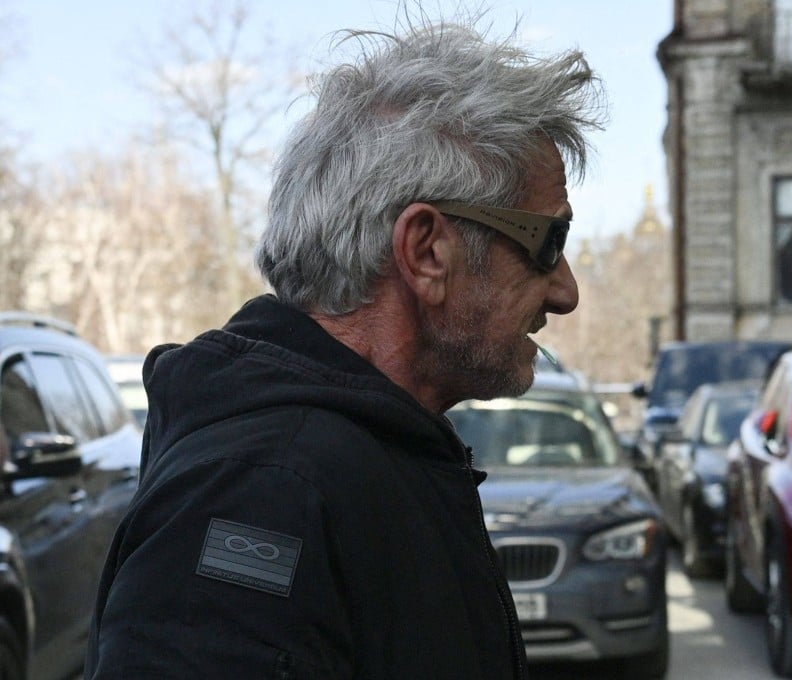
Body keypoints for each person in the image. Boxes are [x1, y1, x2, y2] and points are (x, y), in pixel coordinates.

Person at [85, 11, 605, 680]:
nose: (565, 292)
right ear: (426, 252)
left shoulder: (366, 457)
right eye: (547, 244)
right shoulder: (264, 494)